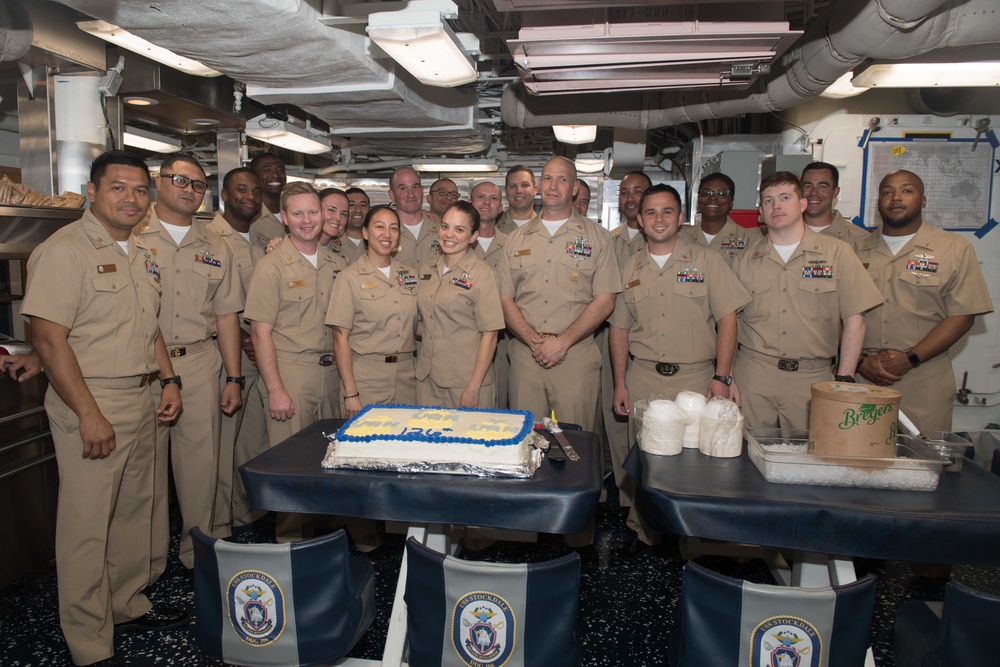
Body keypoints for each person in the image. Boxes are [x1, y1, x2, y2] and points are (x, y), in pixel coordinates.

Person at [21, 150, 185, 667]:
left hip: (140, 393)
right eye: (118, 187)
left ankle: (126, 602)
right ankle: (89, 643)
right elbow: (48, 340)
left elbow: (148, 323)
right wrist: (89, 413)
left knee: (137, 511)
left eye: (139, 190)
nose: (131, 198)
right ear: (92, 192)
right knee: (87, 524)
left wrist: (169, 379)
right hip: (91, 398)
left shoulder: (141, 251)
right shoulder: (65, 250)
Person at [609, 184, 750, 559]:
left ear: (681, 217)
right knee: (645, 460)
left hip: (694, 378)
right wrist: (620, 382)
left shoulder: (707, 262)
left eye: (667, 211)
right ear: (639, 219)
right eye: (651, 212)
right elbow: (619, 329)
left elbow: (727, 319)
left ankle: (692, 539)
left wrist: (722, 376)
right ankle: (643, 532)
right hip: (643, 376)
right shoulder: (629, 267)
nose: (659, 219)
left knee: (695, 463)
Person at [497, 156, 620, 564]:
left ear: (573, 189)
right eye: (546, 179)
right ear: (538, 186)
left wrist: (563, 340)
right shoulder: (514, 238)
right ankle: (529, 531)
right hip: (527, 355)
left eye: (561, 180)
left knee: (576, 446)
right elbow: (505, 298)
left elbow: (605, 299)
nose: (552, 186)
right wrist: (534, 340)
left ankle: (578, 537)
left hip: (577, 354)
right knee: (527, 445)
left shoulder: (597, 237)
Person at [137, 155, 244, 581]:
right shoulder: (133, 237)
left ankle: (197, 554)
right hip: (142, 366)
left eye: (198, 185)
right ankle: (144, 567)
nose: (188, 189)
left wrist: (233, 376)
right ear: (158, 183)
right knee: (145, 478)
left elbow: (227, 317)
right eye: (179, 180)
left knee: (201, 469)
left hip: (200, 362)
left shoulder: (216, 245)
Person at [731, 172, 882, 430]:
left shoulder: (837, 254)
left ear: (802, 204)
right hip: (754, 375)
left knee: (811, 459)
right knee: (744, 455)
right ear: (761, 212)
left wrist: (844, 379)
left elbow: (855, 320)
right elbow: (729, 323)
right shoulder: (743, 261)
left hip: (812, 377)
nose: (776, 206)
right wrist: (728, 376)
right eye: (768, 201)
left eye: (785, 198)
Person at [244, 183, 349, 541]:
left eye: (314, 212)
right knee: (291, 469)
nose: (308, 220)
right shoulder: (272, 265)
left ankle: (324, 544)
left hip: (332, 373)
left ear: (323, 215)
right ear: (285, 218)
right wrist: (275, 389)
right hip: (291, 372)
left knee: (328, 462)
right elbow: (260, 331)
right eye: (299, 214)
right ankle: (289, 547)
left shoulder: (337, 263)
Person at [856, 170, 993, 432]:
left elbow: (963, 316)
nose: (896, 197)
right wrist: (862, 362)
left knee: (921, 463)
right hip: (864, 379)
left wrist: (910, 358)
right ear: (878, 202)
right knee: (859, 465)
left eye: (907, 190)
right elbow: (837, 312)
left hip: (923, 381)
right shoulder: (854, 250)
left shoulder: (953, 248)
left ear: (923, 200)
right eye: (887, 192)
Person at [206, 167, 270, 530]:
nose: (249, 196)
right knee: (220, 445)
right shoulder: (210, 240)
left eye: (255, 191)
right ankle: (220, 523)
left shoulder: (259, 242)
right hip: (227, 358)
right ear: (224, 195)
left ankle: (245, 510)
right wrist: (241, 340)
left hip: (258, 355)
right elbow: (211, 305)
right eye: (240, 190)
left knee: (250, 440)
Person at [327, 205, 419, 418]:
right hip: (367, 378)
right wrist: (351, 393)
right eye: (380, 227)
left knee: (406, 445)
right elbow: (340, 340)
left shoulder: (410, 275)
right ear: (366, 233)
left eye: (394, 228)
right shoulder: (349, 278)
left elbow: (418, 325)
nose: (387, 234)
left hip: (407, 375)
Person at [416, 200, 505, 408]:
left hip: (466, 383)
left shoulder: (483, 275)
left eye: (459, 229)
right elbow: (426, 323)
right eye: (445, 226)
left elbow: (490, 336)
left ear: (473, 236)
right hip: (428, 380)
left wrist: (473, 388)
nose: (449, 235)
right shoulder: (428, 270)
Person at [470, 181, 511, 407]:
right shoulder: (457, 245)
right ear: (469, 203)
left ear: (501, 207)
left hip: (504, 340)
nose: (487, 203)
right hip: (464, 339)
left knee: (501, 405)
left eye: (493, 199)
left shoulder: (512, 245)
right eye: (480, 197)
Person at [683, 172, 762, 265]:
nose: (713, 197)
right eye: (706, 192)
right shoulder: (683, 239)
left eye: (721, 193)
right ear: (699, 198)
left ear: (731, 201)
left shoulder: (751, 241)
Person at [801, 161, 870, 251]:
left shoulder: (860, 240)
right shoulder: (782, 233)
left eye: (822, 186)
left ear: (835, 192)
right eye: (808, 186)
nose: (814, 192)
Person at [387, 166, 442, 270]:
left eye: (415, 187)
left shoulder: (442, 231)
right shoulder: (383, 233)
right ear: (392, 195)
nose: (411, 194)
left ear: (422, 191)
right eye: (403, 188)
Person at [248, 152, 288, 252]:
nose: (275, 175)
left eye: (280, 170)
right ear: (254, 177)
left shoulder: (294, 209)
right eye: (266, 170)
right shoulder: (250, 219)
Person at [497, 165, 536, 234]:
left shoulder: (548, 228)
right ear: (506, 191)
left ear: (535, 190)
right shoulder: (493, 228)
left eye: (525, 185)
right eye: (513, 186)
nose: (519, 190)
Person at [318, 186, 350, 262]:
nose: (338, 218)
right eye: (331, 210)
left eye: (343, 214)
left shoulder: (341, 254)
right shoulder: (297, 249)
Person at [343, 187, 370, 264]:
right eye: (351, 205)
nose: (358, 210)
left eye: (363, 205)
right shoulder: (332, 244)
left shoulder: (377, 242)